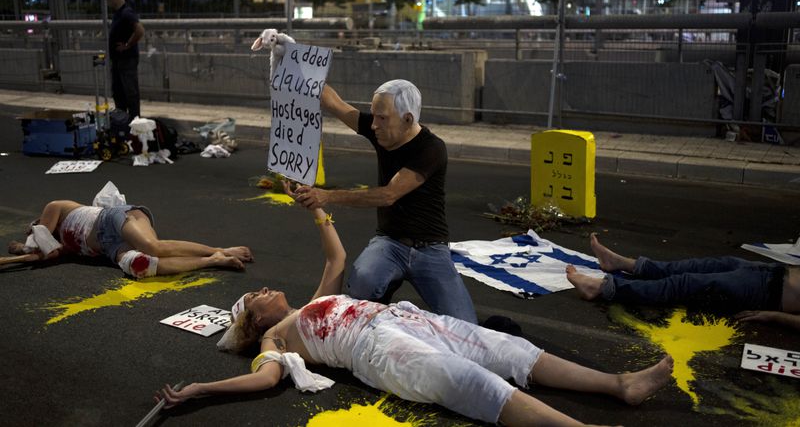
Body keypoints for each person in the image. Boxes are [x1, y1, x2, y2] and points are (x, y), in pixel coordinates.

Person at [158, 189, 674, 426]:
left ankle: (619, 385)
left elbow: (336, 255)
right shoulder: (278, 339)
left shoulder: (317, 301)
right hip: (378, 350)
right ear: (255, 321)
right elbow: (265, 380)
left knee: (506, 348)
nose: (266, 290)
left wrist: (319, 210)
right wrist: (204, 388)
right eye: (257, 298)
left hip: (403, 319)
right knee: (468, 381)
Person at [292, 79, 477, 323]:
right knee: (360, 289)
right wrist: (295, 63)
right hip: (390, 242)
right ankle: (381, 302)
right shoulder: (382, 129)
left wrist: (326, 196)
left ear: (408, 119)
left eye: (382, 118)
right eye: (374, 115)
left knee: (465, 324)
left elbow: (388, 194)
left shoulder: (431, 149)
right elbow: (334, 103)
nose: (374, 125)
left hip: (430, 248)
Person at [566, 233, 800, 330]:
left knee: (682, 285)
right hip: (771, 271)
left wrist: (773, 316)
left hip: (767, 292)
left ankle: (600, 288)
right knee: (687, 267)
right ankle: (621, 263)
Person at [3, 200, 252, 277]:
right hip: (109, 246)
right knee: (140, 266)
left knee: (151, 246)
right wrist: (10, 259)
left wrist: (28, 244)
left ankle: (219, 249)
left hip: (111, 218)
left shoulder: (53, 207)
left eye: (33, 228)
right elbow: (49, 254)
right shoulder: (62, 245)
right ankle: (213, 260)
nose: (34, 230)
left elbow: (42, 243)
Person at [105, 0, 145, 119]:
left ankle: (134, 123)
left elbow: (140, 30)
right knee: (119, 93)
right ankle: (122, 122)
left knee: (130, 94)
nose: (107, 1)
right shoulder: (118, 14)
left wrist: (127, 45)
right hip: (118, 61)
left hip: (126, 60)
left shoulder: (126, 12)